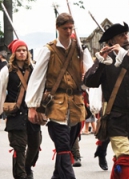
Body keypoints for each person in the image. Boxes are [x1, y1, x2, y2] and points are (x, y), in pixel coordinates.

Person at [84, 22, 129, 178]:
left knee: (123, 160)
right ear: (111, 41)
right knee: (125, 158)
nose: (126, 37)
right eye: (122, 35)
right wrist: (99, 62)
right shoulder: (105, 61)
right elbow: (89, 82)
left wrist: (125, 56)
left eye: (126, 34)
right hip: (115, 118)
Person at [25, 13, 87, 179]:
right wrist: (32, 106)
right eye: (65, 28)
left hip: (76, 105)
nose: (68, 31)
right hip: (56, 106)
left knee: (64, 149)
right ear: (57, 28)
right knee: (64, 147)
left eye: (70, 28)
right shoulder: (48, 50)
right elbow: (37, 79)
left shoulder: (80, 48)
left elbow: (90, 76)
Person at [0, 40, 42, 179]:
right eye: (19, 50)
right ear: (14, 53)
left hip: (32, 112)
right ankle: (20, 175)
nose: (22, 52)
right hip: (16, 114)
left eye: (24, 50)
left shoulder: (34, 68)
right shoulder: (7, 70)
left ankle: (27, 167)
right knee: (19, 147)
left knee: (35, 144)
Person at [0, 50, 8, 131]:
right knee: (6, 105)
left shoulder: (1, 64)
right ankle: (7, 124)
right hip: (7, 87)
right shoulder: (8, 64)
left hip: (2, 86)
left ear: (0, 56)